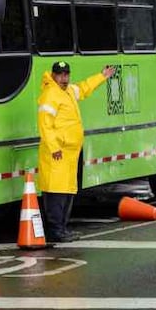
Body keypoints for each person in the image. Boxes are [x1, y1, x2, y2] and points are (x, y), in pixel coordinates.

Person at [37, 60, 116, 243]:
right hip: (57, 153)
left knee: (67, 191)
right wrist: (55, 148)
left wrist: (101, 76)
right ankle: (56, 230)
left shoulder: (69, 91)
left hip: (70, 154)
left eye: (66, 74)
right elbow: (45, 126)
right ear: (53, 75)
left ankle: (62, 229)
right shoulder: (50, 95)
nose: (64, 78)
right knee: (56, 192)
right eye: (60, 75)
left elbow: (85, 88)